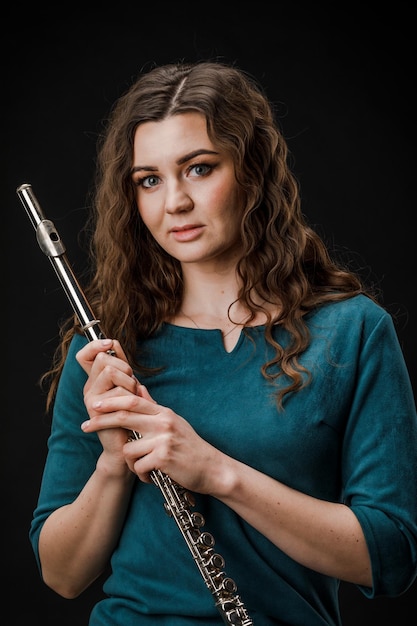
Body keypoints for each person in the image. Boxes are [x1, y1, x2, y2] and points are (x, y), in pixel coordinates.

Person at [29, 60, 417, 626]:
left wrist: (216, 473)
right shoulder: (108, 349)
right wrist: (113, 464)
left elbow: (393, 558)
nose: (175, 203)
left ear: (253, 172)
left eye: (200, 168)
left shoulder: (354, 332)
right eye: (150, 180)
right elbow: (61, 576)